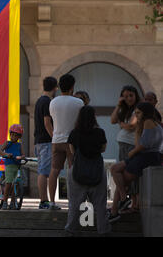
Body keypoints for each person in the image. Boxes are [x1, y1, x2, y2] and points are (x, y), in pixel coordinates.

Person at [109, 102, 163, 223]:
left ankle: (115, 209)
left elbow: (144, 145)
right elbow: (140, 143)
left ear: (146, 113)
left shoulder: (148, 121)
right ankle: (122, 200)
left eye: (138, 113)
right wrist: (138, 130)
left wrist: (132, 153)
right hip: (144, 155)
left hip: (147, 156)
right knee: (115, 170)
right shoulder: (146, 124)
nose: (136, 115)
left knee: (120, 176)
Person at [65, 106, 111, 235]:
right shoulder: (100, 132)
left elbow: (72, 151)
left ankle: (71, 229)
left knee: (74, 204)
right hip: (97, 169)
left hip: (78, 170)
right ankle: (103, 230)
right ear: (93, 117)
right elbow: (103, 149)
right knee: (100, 204)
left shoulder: (74, 133)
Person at [48, 74, 84, 210]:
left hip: (56, 140)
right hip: (72, 141)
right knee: (73, 170)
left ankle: (51, 202)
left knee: (54, 170)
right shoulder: (78, 103)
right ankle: (73, 202)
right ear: (72, 86)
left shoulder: (53, 102)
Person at [110, 85, 140, 211]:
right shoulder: (125, 109)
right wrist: (119, 104)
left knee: (129, 174)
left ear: (136, 95)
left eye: (131, 95)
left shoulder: (138, 109)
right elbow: (112, 120)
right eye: (125, 96)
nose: (128, 98)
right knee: (123, 174)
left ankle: (133, 202)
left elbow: (131, 126)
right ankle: (125, 200)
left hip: (131, 145)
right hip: (123, 145)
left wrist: (122, 124)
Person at [33, 76, 58, 210]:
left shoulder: (39, 101)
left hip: (38, 141)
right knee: (44, 172)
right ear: (55, 88)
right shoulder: (47, 102)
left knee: (42, 170)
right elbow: (47, 122)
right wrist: (54, 138)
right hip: (46, 141)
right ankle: (44, 201)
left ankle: (44, 200)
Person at [0, 124, 25, 210]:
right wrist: (7, 154)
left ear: (19, 136)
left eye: (16, 135)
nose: (13, 137)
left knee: (15, 184)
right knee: (9, 183)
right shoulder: (7, 143)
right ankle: (5, 202)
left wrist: (22, 157)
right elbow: (0, 151)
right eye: (12, 135)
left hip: (17, 166)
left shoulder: (19, 145)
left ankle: (13, 202)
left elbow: (23, 154)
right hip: (9, 165)